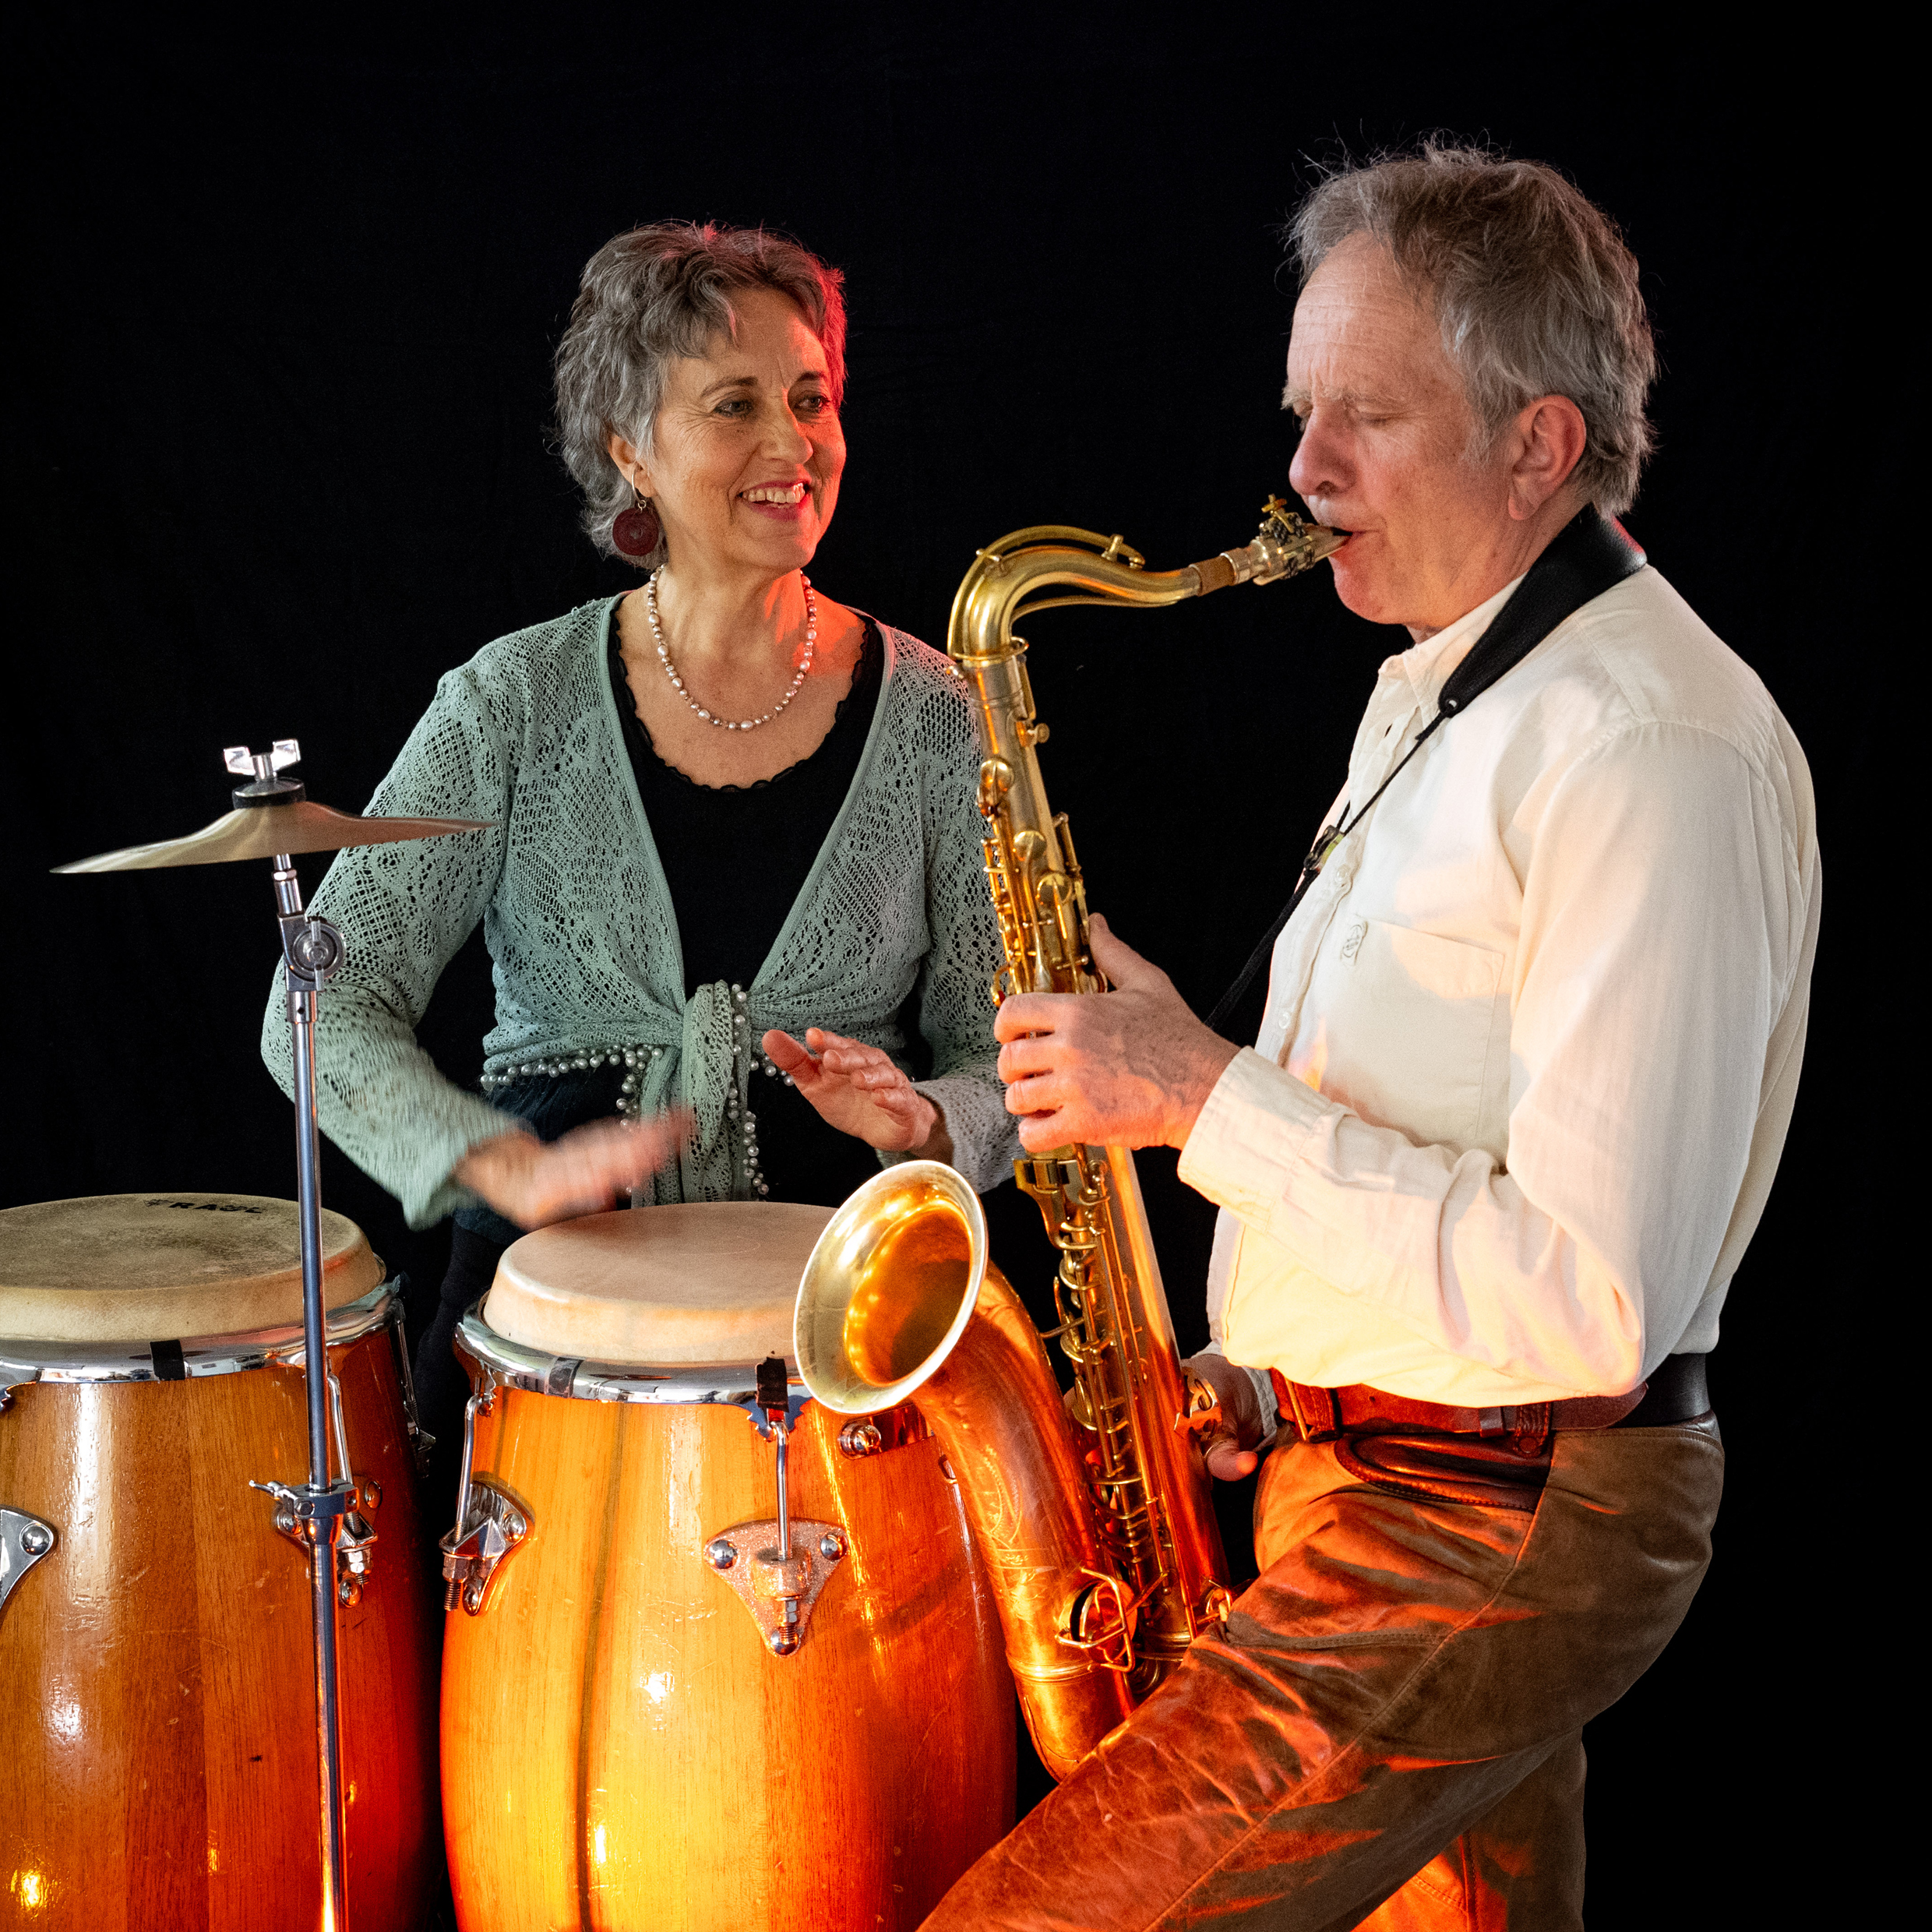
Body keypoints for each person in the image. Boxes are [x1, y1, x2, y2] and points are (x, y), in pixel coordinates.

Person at [925, 146, 1819, 1929]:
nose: (1305, 470)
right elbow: (1441, 1131)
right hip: (1375, 1467)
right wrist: (1272, 1378)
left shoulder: (1642, 744)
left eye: (1368, 417)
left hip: (1493, 1505)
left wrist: (1199, 1095)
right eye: (1301, 413)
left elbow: (1588, 1300)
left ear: (1537, 444)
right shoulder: (1446, 683)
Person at [261, 222, 1015, 1499]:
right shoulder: (510, 704)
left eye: (811, 399)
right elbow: (316, 1003)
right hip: (549, 1357)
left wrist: (929, 1117)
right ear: (629, 449)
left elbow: (1019, 1060)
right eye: (736, 406)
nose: (793, 443)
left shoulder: (942, 716)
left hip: (856, 1354)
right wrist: (497, 1162)